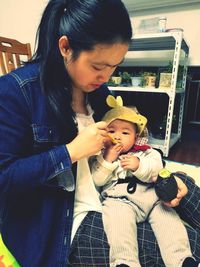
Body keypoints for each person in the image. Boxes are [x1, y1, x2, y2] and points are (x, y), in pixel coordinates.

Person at [0, 0, 199, 266]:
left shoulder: (98, 93)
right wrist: (70, 152)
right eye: (98, 66)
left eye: (114, 66)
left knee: (189, 190)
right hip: (67, 220)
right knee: (188, 244)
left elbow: (129, 144)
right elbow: (5, 178)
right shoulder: (17, 92)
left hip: (113, 189)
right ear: (65, 47)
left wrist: (156, 171)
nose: (106, 77)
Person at [90, 95, 200, 267]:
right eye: (112, 131)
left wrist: (139, 165)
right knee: (118, 228)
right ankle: (124, 262)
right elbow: (96, 180)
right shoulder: (101, 156)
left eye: (125, 132)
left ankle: (181, 260)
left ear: (136, 137)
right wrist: (107, 161)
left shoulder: (147, 152)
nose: (117, 136)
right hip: (119, 200)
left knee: (170, 223)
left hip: (152, 197)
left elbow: (157, 169)